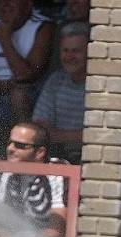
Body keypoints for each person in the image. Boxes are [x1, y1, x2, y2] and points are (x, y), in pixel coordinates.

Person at [0, 0, 55, 158]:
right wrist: (4, 86)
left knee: (18, 95)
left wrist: (5, 39)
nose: (6, 4)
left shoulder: (43, 27)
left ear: (28, 5)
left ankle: (24, 151)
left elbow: (26, 75)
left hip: (29, 91)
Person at [31, 22, 86, 164]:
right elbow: (39, 126)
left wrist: (58, 135)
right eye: (65, 50)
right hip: (58, 155)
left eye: (76, 51)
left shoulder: (100, 85)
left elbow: (100, 135)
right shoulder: (56, 79)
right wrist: (76, 135)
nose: (69, 56)